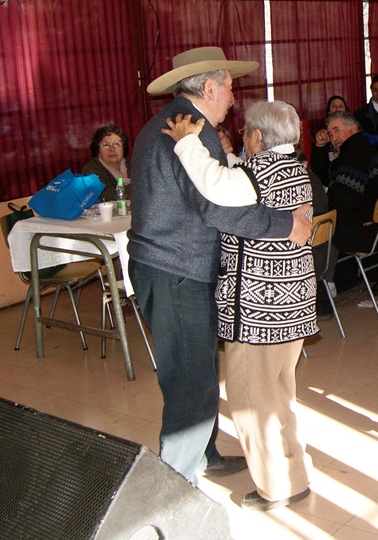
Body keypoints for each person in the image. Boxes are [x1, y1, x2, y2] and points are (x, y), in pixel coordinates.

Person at [128, 46, 312, 484]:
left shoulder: (181, 126)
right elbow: (218, 207)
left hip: (175, 267)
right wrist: (285, 224)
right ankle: (174, 486)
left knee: (198, 372)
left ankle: (203, 456)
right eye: (229, 87)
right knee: (190, 383)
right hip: (176, 270)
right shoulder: (187, 132)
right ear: (209, 88)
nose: (233, 97)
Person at [161, 100, 316, 510]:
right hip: (292, 304)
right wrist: (228, 157)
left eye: (246, 132)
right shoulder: (295, 167)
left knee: (252, 401)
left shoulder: (258, 172)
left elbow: (214, 185)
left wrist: (187, 143)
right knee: (279, 394)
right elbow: (238, 180)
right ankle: (294, 475)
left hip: (258, 310)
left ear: (259, 137)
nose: (243, 138)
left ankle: (278, 487)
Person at [321, 112, 378, 293]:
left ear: (353, 128)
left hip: (365, 233)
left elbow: (339, 203)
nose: (334, 137)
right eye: (330, 134)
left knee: (316, 230)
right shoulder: (365, 148)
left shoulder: (352, 157)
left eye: (337, 130)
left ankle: (325, 288)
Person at [83, 124, 130, 202]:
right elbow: (105, 195)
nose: (112, 149)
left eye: (116, 144)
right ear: (98, 150)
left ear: (123, 148)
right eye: (105, 145)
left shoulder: (133, 164)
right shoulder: (91, 169)